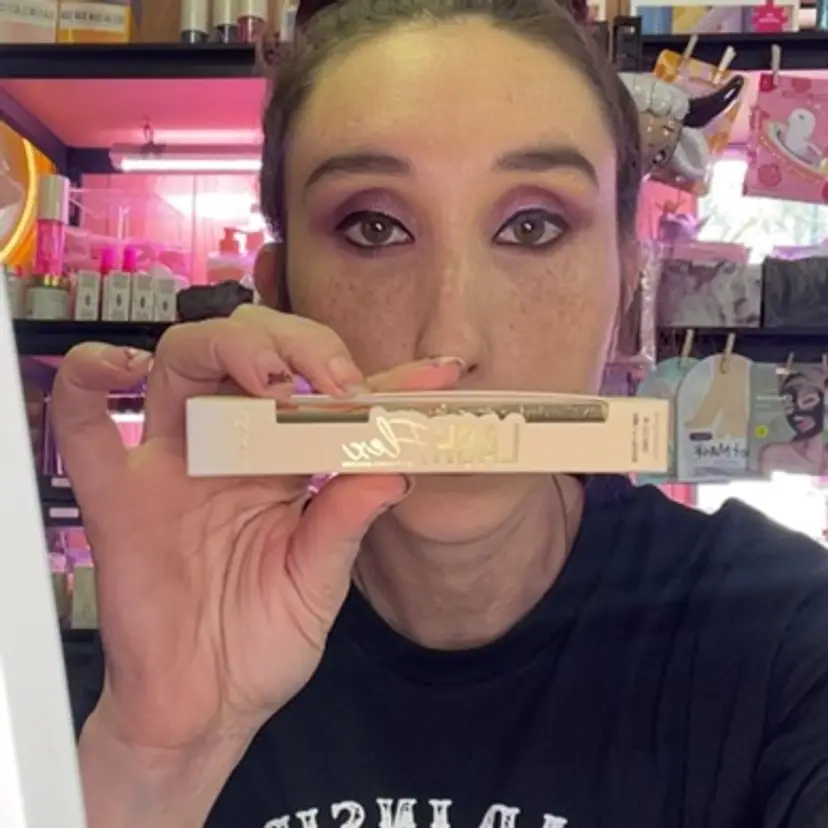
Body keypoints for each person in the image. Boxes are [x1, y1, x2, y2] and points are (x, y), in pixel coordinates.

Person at [51, 0, 828, 825]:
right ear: (280, 293)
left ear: (625, 281)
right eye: (374, 228)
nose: (452, 340)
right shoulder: (163, 663)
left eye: (532, 226)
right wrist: (157, 759)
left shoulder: (785, 633)